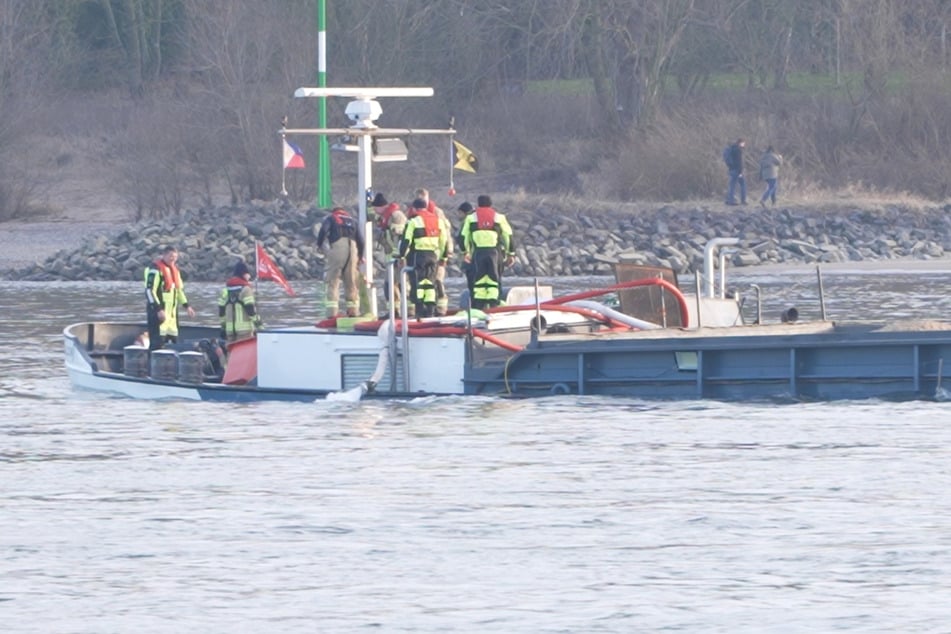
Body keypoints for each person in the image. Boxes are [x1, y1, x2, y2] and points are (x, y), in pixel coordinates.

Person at [461, 194, 515, 310]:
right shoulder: (499, 218)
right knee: (494, 278)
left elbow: (463, 236)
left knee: (479, 279)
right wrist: (511, 254)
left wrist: (465, 252)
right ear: (491, 204)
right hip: (494, 253)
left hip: (478, 253)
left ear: (478, 204)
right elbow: (508, 236)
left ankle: (480, 306)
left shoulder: (470, 218)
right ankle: (494, 305)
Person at [399, 198, 449, 318]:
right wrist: (444, 257)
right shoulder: (438, 221)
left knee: (418, 283)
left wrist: (401, 256)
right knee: (430, 283)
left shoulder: (413, 221)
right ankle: (431, 310)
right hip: (433, 255)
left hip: (418, 255)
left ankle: (420, 311)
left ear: (414, 209)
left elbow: (406, 240)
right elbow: (444, 241)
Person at [316, 206, 365, 318]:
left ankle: (332, 314)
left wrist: (319, 244)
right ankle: (353, 312)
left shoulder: (332, 218)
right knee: (351, 282)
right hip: (353, 250)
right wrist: (360, 256)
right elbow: (361, 240)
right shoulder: (353, 221)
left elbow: (323, 230)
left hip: (338, 248)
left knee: (333, 281)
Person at [144, 245, 195, 350]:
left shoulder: (175, 271)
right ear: (164, 255)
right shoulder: (155, 270)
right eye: (171, 256)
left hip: (171, 318)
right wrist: (158, 309)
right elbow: (149, 291)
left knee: (173, 346)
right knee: (156, 345)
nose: (173, 259)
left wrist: (187, 306)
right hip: (158, 315)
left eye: (175, 257)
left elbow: (179, 291)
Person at [413, 187, 453, 315]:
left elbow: (445, 234)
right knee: (420, 283)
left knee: (438, 281)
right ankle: (421, 309)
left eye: (423, 198)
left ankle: (441, 309)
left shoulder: (437, 213)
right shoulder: (413, 213)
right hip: (419, 254)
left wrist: (446, 254)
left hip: (436, 253)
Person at [371, 192, 408, 315]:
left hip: (399, 257)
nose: (374, 210)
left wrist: (400, 256)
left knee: (402, 284)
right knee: (390, 285)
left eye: (375, 208)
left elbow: (401, 238)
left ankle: (408, 311)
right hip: (391, 257)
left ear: (382, 206)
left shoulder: (396, 216)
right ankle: (394, 311)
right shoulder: (384, 217)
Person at [217, 259, 260, 342]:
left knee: (232, 353)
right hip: (245, 332)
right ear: (243, 274)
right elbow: (250, 310)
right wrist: (259, 325)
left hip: (230, 332)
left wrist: (223, 326)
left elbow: (221, 312)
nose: (249, 276)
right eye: (248, 273)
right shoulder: (246, 290)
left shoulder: (225, 290)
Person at [723, 138, 747, 205]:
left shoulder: (732, 149)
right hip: (737, 170)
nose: (744, 144)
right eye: (743, 143)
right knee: (743, 185)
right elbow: (739, 162)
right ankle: (743, 200)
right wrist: (740, 172)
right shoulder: (738, 150)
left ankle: (730, 200)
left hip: (731, 169)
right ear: (740, 143)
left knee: (732, 185)